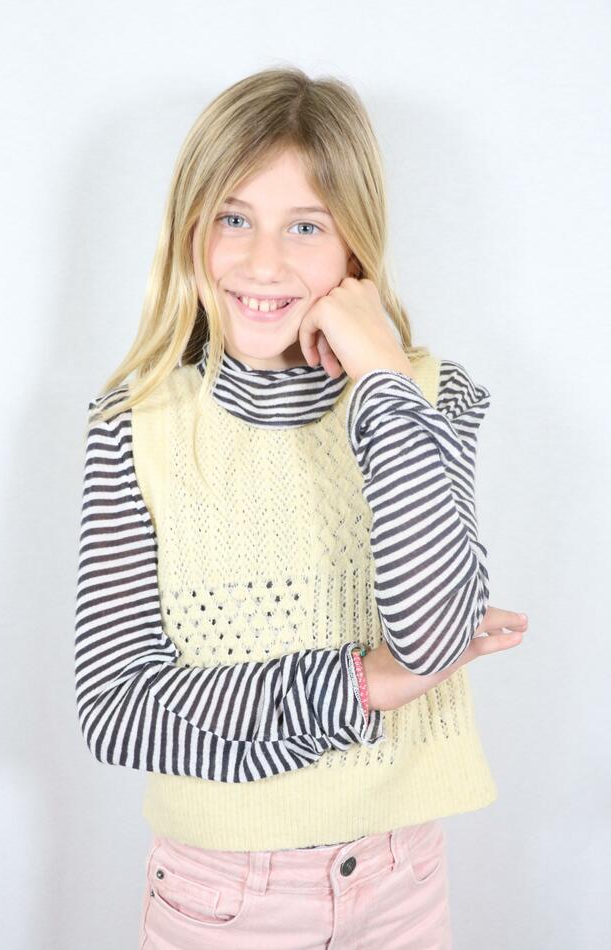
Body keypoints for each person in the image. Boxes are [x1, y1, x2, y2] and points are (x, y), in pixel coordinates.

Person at [75, 65, 528, 950]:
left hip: (402, 881)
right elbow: (119, 708)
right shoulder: (134, 424)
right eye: (232, 218)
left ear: (355, 249)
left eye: (306, 226)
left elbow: (432, 634)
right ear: (190, 229)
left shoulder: (425, 397)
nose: (261, 261)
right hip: (219, 895)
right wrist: (366, 685)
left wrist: (382, 377)